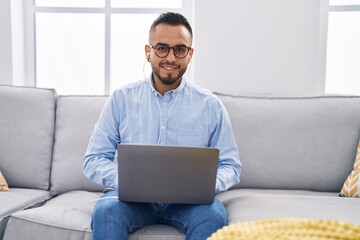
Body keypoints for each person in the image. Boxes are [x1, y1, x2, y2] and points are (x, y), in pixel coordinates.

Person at [83, 12, 241, 240]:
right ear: (149, 52)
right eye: (162, 48)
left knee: (213, 216)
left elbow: (231, 165)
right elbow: (93, 159)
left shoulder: (210, 106)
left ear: (190, 55)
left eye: (180, 49)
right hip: (131, 201)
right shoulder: (121, 99)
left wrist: (204, 186)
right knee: (106, 212)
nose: (170, 58)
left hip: (189, 204)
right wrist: (129, 182)